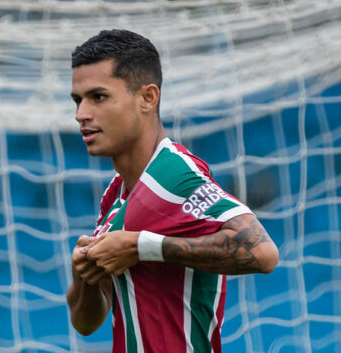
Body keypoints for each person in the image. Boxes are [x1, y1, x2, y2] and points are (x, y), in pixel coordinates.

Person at [66, 29, 279, 353]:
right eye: (77, 100)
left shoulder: (173, 173)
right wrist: (84, 277)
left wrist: (141, 246)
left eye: (98, 97)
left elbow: (262, 252)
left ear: (148, 98)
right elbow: (86, 323)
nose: (81, 114)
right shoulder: (114, 195)